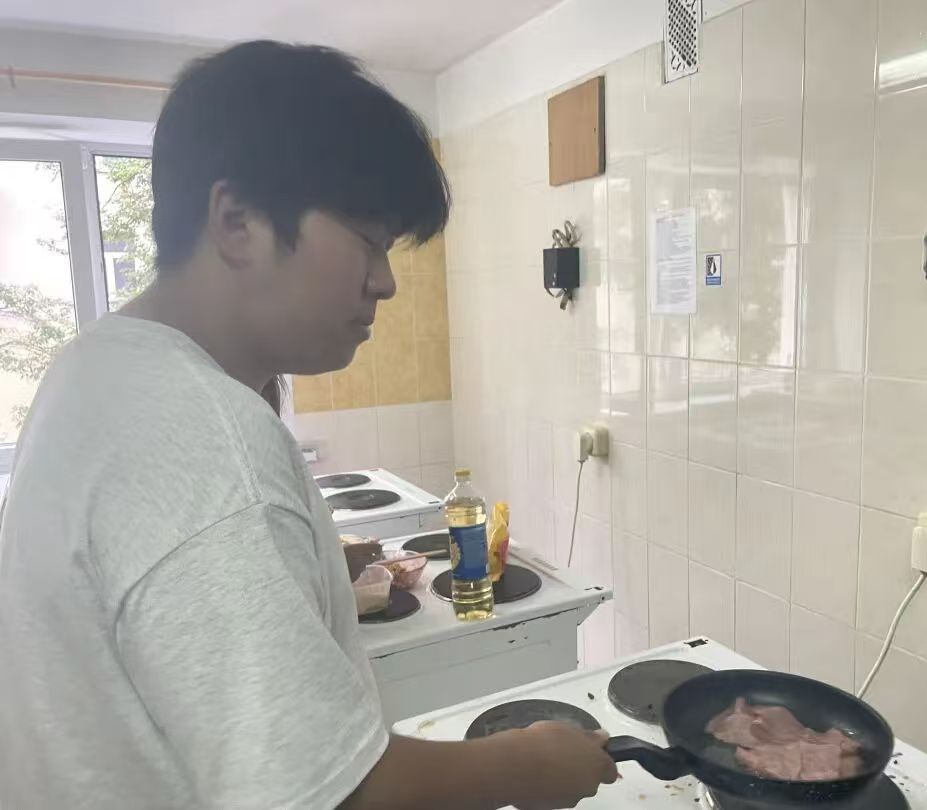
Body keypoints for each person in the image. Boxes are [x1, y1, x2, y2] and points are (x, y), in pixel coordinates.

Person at [0, 41, 617, 810]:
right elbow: (333, 794)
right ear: (237, 221)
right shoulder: (207, 433)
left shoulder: (91, 369)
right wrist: (527, 764)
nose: (385, 283)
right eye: (367, 241)